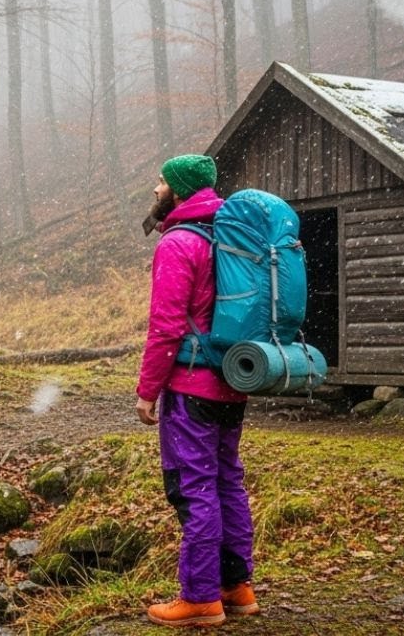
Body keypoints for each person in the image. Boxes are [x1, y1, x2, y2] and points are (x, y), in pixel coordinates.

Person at [136, 153, 258, 628]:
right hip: (232, 381)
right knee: (227, 481)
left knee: (195, 487)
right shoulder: (225, 235)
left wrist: (148, 390)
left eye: (161, 182)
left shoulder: (179, 242)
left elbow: (166, 327)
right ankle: (237, 587)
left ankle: (201, 598)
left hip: (191, 385)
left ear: (180, 191)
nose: (155, 190)